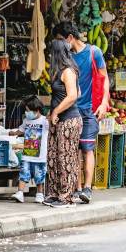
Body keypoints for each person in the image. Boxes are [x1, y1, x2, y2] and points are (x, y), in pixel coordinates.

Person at [55, 21, 109, 205]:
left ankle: (87, 188)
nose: (61, 45)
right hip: (72, 110)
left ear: (70, 38)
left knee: (87, 148)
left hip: (90, 109)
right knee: (74, 149)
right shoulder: (67, 57)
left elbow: (104, 78)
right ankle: (77, 189)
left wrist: (104, 103)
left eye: (62, 40)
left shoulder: (94, 52)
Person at [43, 39, 83, 208]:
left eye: (51, 53)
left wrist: (57, 111)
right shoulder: (60, 71)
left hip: (68, 120)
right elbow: (78, 92)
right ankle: (54, 193)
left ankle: (66, 197)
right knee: (53, 157)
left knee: (66, 158)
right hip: (58, 120)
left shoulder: (68, 71)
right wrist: (52, 111)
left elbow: (73, 95)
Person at [10, 95, 49, 204]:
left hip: (40, 156)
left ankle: (40, 194)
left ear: (36, 110)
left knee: (39, 175)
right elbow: (20, 130)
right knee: (24, 173)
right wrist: (12, 133)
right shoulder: (26, 120)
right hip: (27, 154)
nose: (26, 113)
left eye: (28, 110)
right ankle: (20, 193)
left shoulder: (45, 121)